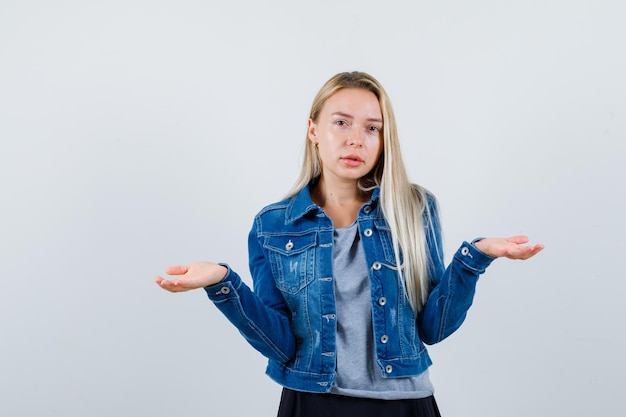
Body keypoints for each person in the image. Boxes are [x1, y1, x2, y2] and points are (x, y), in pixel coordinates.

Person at [155, 71, 544, 417]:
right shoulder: (273, 225)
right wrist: (222, 282)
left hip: (405, 404)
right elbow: (280, 344)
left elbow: (433, 328)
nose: (356, 139)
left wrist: (474, 259)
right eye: (341, 123)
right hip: (312, 402)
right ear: (313, 131)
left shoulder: (413, 208)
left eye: (372, 128)